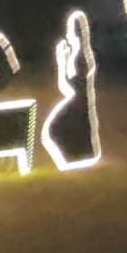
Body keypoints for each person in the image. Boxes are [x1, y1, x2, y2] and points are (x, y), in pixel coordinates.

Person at [42, 10, 101, 169]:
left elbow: (73, 86)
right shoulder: (77, 54)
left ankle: (74, 158)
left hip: (79, 103)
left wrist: (61, 61)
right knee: (56, 130)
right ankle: (74, 157)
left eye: (71, 30)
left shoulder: (82, 57)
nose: (68, 34)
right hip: (77, 102)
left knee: (54, 129)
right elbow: (66, 86)